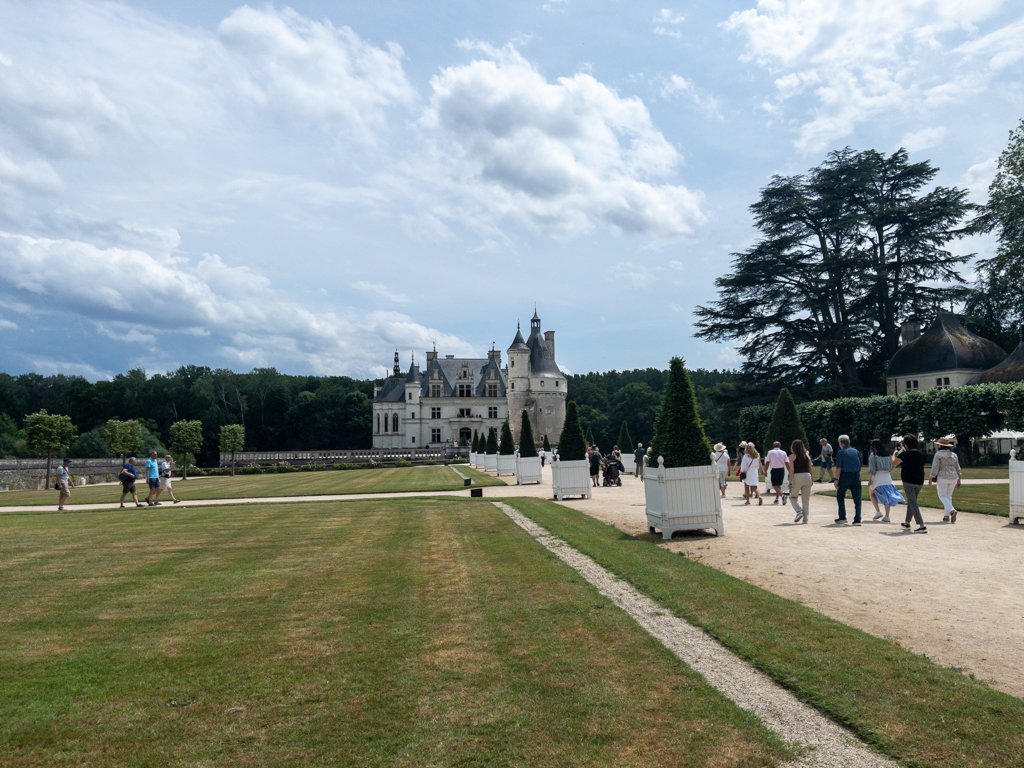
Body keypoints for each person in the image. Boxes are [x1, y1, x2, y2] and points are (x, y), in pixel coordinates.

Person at [892, 433, 927, 533]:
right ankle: (907, 522)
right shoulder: (921, 455)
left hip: (908, 481)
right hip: (919, 481)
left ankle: (921, 525)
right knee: (912, 501)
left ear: (906, 444)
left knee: (913, 503)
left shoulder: (904, 454)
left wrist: (895, 452)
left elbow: (894, 463)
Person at [868, 439, 903, 522]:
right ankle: (887, 516)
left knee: (872, 494)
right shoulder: (888, 455)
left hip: (878, 476)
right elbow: (892, 466)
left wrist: (870, 480)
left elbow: (872, 469)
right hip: (887, 477)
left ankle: (878, 511)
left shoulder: (873, 455)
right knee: (886, 496)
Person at [831, 434, 862, 525]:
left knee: (840, 496)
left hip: (845, 476)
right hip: (856, 476)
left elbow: (838, 468)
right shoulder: (856, 451)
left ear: (841, 443)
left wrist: (836, 479)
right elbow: (860, 466)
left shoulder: (841, 452)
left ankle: (842, 517)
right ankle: (857, 519)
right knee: (857, 499)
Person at [930, 435, 962, 523]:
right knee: (948, 496)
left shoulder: (938, 454)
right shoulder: (954, 455)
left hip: (943, 476)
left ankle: (952, 510)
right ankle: (946, 516)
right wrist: (959, 478)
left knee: (942, 495)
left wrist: (932, 476)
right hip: (953, 477)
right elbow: (957, 467)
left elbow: (935, 467)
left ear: (940, 445)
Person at [785, 440, 813, 523]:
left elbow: (792, 469)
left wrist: (790, 481)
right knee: (806, 499)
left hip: (797, 476)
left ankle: (799, 511)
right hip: (807, 476)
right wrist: (812, 479)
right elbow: (810, 468)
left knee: (792, 496)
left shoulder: (792, 456)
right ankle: (805, 518)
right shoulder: (807, 455)